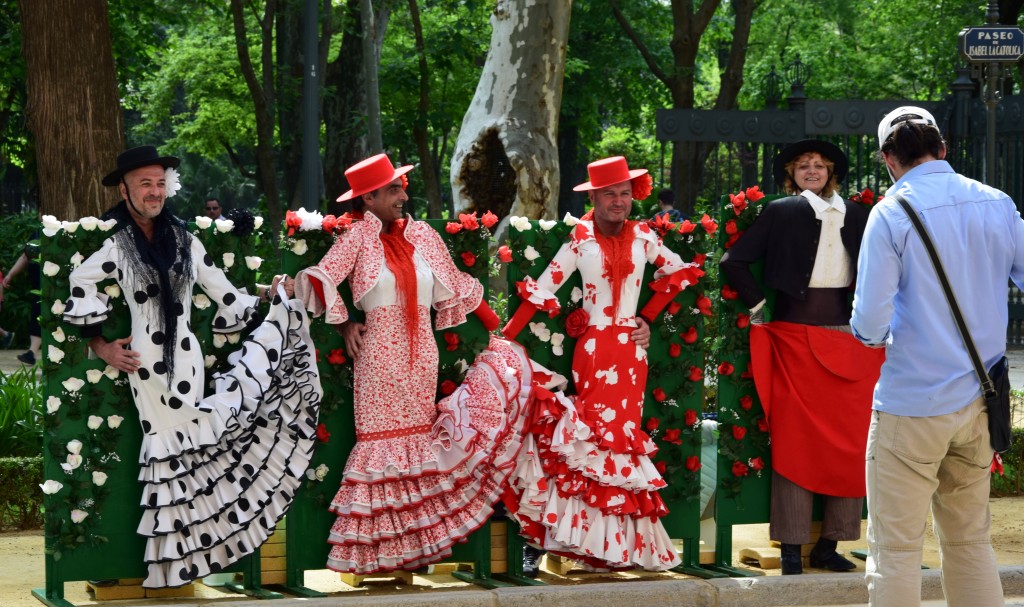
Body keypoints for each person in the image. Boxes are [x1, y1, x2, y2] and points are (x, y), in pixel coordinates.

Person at [62, 145, 322, 588]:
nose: (154, 191)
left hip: (188, 362)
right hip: (145, 367)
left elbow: (224, 291)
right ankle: (177, 564)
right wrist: (100, 345)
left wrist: (271, 293)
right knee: (169, 452)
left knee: (197, 453)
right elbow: (80, 280)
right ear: (124, 190)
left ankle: (192, 561)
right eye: (145, 184)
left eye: (160, 183)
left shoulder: (185, 239)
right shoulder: (117, 244)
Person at [851, 106, 1017, 607]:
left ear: (888, 160)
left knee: (895, 555)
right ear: (943, 148)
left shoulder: (891, 212)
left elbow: (869, 325)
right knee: (970, 546)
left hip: (911, 405)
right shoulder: (997, 202)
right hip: (980, 402)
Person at [294, 153, 510, 574]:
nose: (403, 195)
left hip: (422, 355)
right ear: (368, 198)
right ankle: (376, 558)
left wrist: (499, 330)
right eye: (393, 189)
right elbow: (320, 277)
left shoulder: (423, 234)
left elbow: (458, 286)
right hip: (378, 357)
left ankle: (411, 555)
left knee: (418, 447)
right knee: (382, 446)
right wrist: (344, 323)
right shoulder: (357, 237)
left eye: (402, 187)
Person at [499, 156, 704, 571]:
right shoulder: (580, 237)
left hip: (631, 352)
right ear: (593, 197)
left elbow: (679, 274)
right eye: (609, 193)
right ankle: (563, 540)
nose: (618, 201)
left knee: (621, 442)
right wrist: (504, 338)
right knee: (586, 445)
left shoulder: (644, 235)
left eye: (625, 193)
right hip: (592, 351)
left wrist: (647, 318)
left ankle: (612, 549)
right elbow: (543, 289)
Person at [720, 140, 882, 575]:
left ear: (831, 172)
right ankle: (791, 547)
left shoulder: (860, 216)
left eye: (819, 165)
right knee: (796, 444)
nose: (812, 170)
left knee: (851, 442)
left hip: (850, 340)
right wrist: (759, 306)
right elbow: (734, 261)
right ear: (792, 174)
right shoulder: (780, 210)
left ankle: (830, 545)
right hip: (793, 339)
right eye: (803, 165)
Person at [3, 242, 42, 364]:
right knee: (37, 317)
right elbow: (25, 256)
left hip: (57, 285)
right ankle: (31, 353)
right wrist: (10, 275)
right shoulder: (36, 235)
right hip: (38, 287)